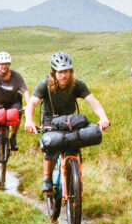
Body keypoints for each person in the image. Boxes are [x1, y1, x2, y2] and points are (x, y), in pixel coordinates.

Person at [25, 51, 110, 194]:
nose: (63, 75)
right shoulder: (44, 85)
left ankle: (76, 180)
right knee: (52, 149)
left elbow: (93, 102)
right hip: (50, 120)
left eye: (66, 71)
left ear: (71, 71)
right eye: (60, 72)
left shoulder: (77, 85)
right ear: (53, 73)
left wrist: (103, 118)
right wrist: (29, 121)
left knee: (75, 145)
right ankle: (47, 179)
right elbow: (32, 103)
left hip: (69, 120)